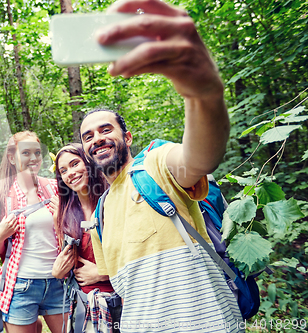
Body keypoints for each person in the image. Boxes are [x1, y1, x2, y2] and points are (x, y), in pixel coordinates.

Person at [79, 0, 242, 332]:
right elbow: (118, 279)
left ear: (127, 136)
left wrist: (204, 94)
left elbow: (201, 156)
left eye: (105, 129)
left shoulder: (154, 164)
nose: (97, 138)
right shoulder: (100, 214)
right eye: (88, 136)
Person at [0, 131, 66, 333]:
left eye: (37, 153)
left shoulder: (54, 187)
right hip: (21, 285)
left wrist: (61, 216)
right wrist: (1, 235)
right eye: (26, 153)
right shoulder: (2, 196)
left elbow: (72, 231)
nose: (33, 158)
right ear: (12, 158)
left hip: (58, 281)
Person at [51, 143, 122, 333]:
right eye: (63, 170)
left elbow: (138, 254)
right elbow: (71, 266)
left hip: (121, 302)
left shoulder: (113, 202)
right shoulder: (64, 215)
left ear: (89, 162)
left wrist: (103, 273)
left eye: (75, 164)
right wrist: (59, 272)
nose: (70, 173)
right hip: (86, 307)